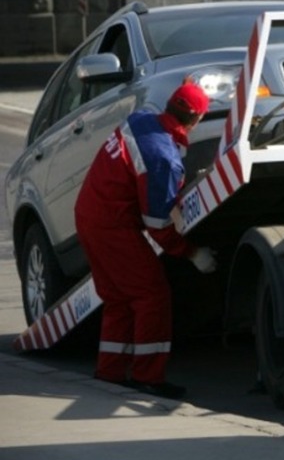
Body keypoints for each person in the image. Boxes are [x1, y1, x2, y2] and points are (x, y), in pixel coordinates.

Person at [74, 81, 217, 399]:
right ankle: (148, 377)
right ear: (195, 119)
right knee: (152, 295)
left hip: (90, 215)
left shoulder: (142, 119)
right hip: (112, 226)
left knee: (118, 299)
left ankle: (110, 374)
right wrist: (192, 253)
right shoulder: (163, 158)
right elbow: (157, 224)